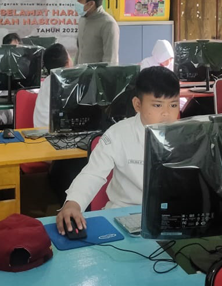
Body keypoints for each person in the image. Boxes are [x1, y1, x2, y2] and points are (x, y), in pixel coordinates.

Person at [56, 66, 180, 234]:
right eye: (157, 105)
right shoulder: (118, 134)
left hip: (172, 218)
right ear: (137, 104)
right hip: (124, 215)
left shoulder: (187, 135)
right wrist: (73, 203)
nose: (167, 113)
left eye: (173, 105)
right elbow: (93, 174)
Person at [74, 0, 120, 66]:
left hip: (97, 74)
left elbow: (110, 61)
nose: (76, 2)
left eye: (79, 0)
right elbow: (79, 51)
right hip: (81, 73)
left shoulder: (108, 24)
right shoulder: (82, 19)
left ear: (91, 4)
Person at [33, 43, 72, 128]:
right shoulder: (65, 82)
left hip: (39, 129)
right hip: (53, 131)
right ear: (67, 62)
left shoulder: (48, 80)